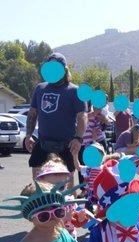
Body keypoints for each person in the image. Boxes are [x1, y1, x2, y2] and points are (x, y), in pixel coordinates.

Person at [25, 52, 87, 188]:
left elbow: (82, 116)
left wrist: (78, 138)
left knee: (67, 189)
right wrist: (28, 135)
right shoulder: (40, 88)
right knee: (39, 185)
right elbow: (32, 114)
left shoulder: (75, 90)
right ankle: (42, 208)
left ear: (64, 69)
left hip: (66, 145)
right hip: (43, 144)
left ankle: (69, 209)